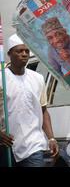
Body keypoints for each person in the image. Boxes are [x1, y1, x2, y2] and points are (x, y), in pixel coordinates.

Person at [0, 35, 59, 167]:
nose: (24, 54)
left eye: (26, 51)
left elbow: (43, 110)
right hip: (7, 145)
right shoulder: (1, 78)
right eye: (19, 51)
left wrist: (51, 138)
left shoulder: (37, 78)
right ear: (10, 54)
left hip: (33, 145)